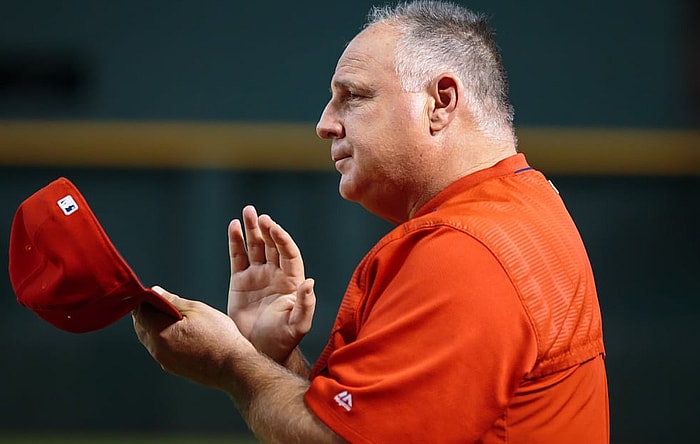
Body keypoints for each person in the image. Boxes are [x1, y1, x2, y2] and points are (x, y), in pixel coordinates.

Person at [132, 1, 610, 442]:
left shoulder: (468, 250)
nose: (325, 123)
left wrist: (230, 362)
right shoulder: (521, 206)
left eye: (353, 97)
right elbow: (360, 425)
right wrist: (269, 356)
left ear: (440, 102)